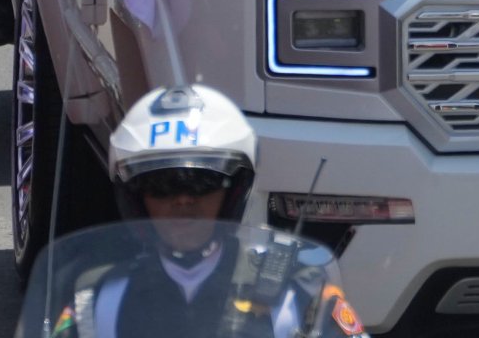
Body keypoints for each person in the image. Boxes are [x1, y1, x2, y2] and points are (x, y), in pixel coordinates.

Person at [45, 83, 360, 338]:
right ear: (136, 198)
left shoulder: (297, 291)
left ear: (235, 191)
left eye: (202, 183)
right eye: (163, 186)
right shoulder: (98, 297)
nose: (183, 201)